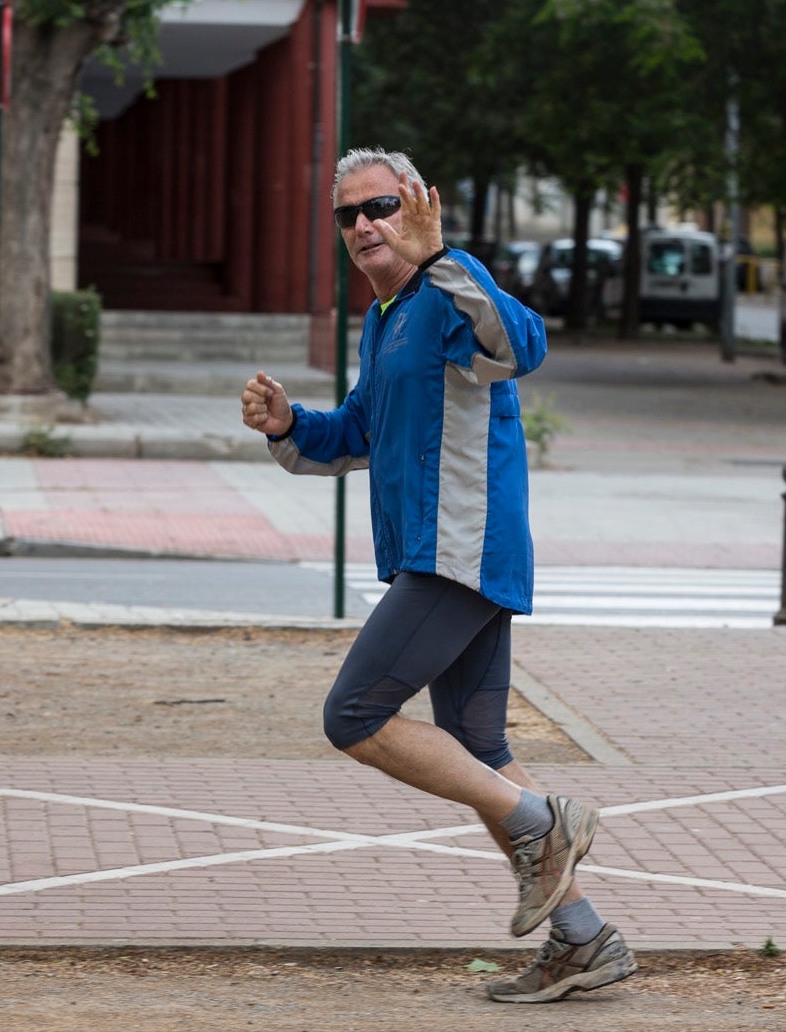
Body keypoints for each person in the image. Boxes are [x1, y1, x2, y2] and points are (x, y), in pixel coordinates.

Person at [240, 147, 636, 1004]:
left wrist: (441, 257)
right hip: (443, 553)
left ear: (418, 204)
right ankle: (583, 938)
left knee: (354, 714)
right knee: (481, 750)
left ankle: (546, 821)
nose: (363, 227)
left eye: (378, 206)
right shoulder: (386, 317)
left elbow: (520, 345)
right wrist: (287, 424)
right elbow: (357, 431)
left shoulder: (451, 286)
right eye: (347, 216)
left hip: (459, 551)